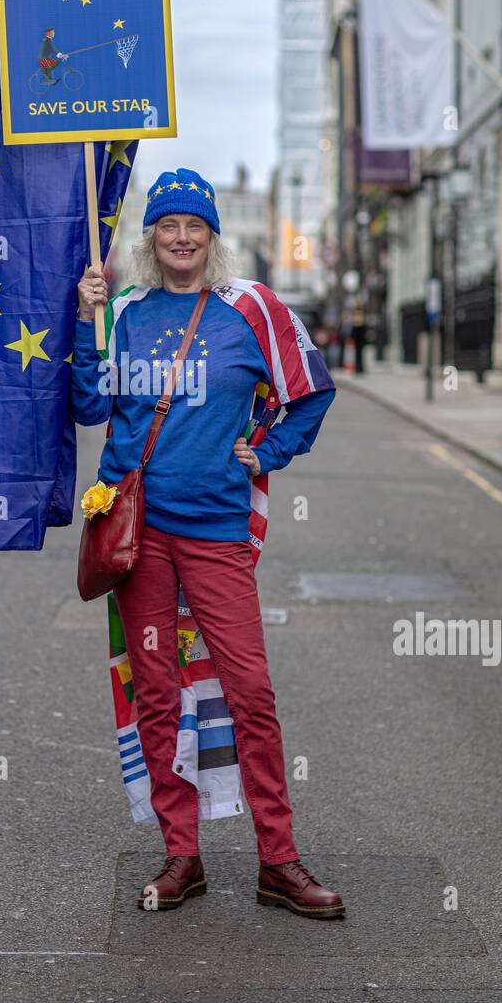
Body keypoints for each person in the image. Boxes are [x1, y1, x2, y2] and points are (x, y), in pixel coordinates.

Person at [70, 167, 344, 920]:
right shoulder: (123, 311)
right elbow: (91, 403)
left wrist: (272, 449)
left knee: (251, 693)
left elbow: (310, 387)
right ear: (151, 237)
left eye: (194, 225)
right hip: (139, 538)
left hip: (217, 532)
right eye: (168, 225)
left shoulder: (249, 308)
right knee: (157, 693)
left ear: (210, 235)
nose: (182, 238)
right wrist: (83, 321)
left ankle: (278, 862)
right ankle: (181, 855)